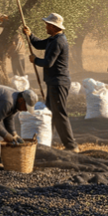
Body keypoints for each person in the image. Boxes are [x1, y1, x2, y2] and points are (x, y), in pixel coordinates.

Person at [23, 13, 78, 152]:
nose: (46, 27)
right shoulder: (53, 39)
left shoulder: (58, 42)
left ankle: (71, 146)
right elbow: (39, 44)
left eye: (47, 25)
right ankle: (46, 141)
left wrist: (35, 60)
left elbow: (48, 62)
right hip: (54, 82)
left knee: (59, 114)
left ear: (53, 27)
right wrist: (30, 35)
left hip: (59, 82)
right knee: (49, 113)